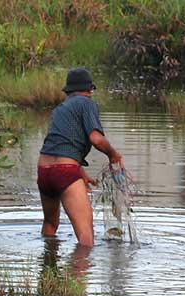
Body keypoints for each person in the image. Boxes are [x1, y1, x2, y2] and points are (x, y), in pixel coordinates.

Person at [37, 68, 124, 247]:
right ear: (90, 90)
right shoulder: (87, 103)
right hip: (65, 172)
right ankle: (79, 272)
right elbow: (96, 139)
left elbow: (60, 145)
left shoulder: (60, 109)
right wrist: (113, 154)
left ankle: (48, 266)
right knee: (86, 237)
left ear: (67, 91)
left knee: (50, 224)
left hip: (44, 171)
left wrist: (81, 173)